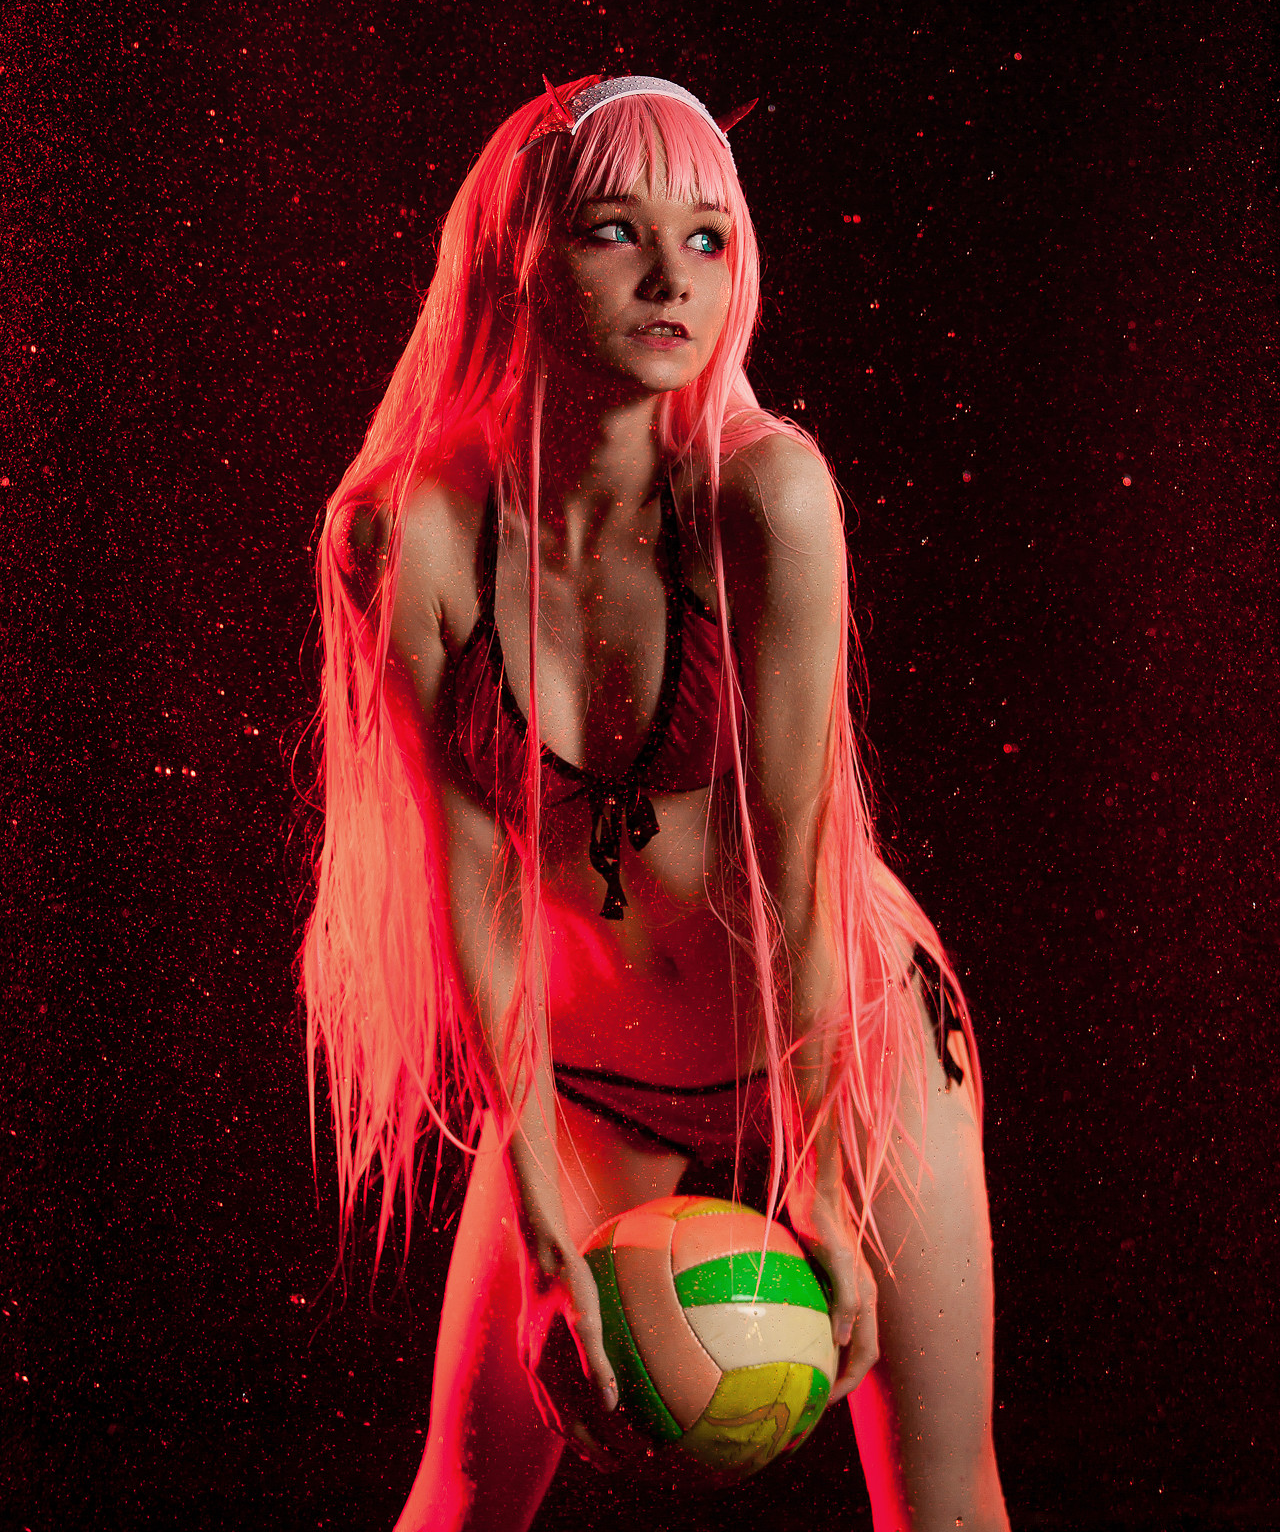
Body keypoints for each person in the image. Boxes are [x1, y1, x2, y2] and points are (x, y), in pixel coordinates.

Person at [301, 74, 1010, 1532]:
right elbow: (475, 879)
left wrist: (823, 1173)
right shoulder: (405, 529)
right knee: (459, 1500)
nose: (669, 276)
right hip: (591, 1071)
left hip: (851, 1043)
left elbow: (800, 879)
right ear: (517, 255)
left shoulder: (767, 499)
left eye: (707, 237)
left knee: (941, 1499)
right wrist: (539, 1203)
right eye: (614, 229)